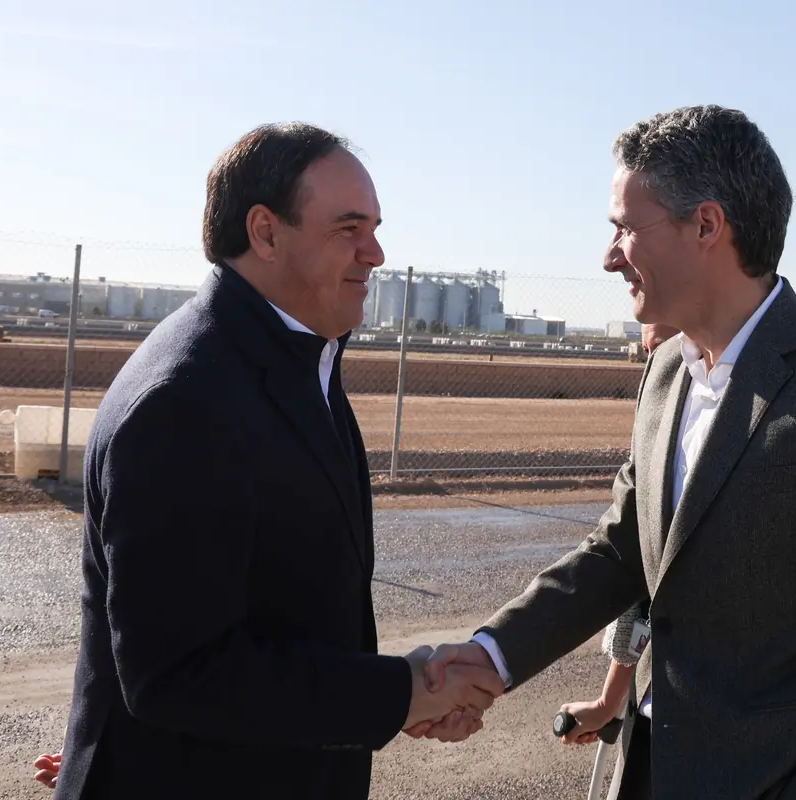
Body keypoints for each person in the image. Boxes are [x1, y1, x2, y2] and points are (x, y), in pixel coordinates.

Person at [421, 105, 796, 799]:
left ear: (706, 225)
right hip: (648, 766)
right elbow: (621, 550)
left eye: (625, 227)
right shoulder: (666, 370)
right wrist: (491, 656)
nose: (609, 255)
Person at [51, 123, 501, 800]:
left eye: (375, 228)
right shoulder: (186, 399)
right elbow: (178, 673)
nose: (375, 253)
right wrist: (398, 694)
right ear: (265, 232)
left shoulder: (296, 354)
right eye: (348, 228)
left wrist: (397, 695)